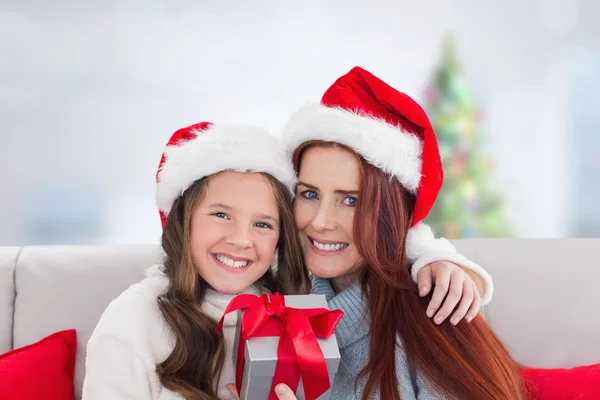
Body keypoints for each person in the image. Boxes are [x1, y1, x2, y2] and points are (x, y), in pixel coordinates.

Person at [273, 67, 527, 400]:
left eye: (351, 200)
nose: (320, 221)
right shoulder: (280, 302)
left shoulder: (433, 311)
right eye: (309, 194)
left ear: (389, 213)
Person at [82, 121, 312, 400]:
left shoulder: (290, 317)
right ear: (183, 222)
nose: (241, 240)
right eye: (221, 215)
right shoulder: (133, 321)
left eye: (262, 224)